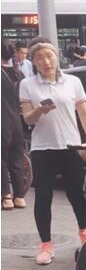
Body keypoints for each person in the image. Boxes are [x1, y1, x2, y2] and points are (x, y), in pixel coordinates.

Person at [19, 41, 86, 265]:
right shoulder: (27, 84)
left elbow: (84, 113)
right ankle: (46, 244)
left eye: (50, 55)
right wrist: (40, 110)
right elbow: (27, 118)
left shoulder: (73, 81)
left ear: (57, 56)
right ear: (33, 62)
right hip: (43, 148)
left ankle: (84, 231)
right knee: (43, 196)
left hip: (71, 145)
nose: (46, 61)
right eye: (40, 57)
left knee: (76, 193)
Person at [1, 41, 27, 210]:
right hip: (17, 122)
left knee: (2, 159)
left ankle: (6, 196)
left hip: (2, 122)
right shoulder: (19, 74)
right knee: (17, 157)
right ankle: (20, 196)